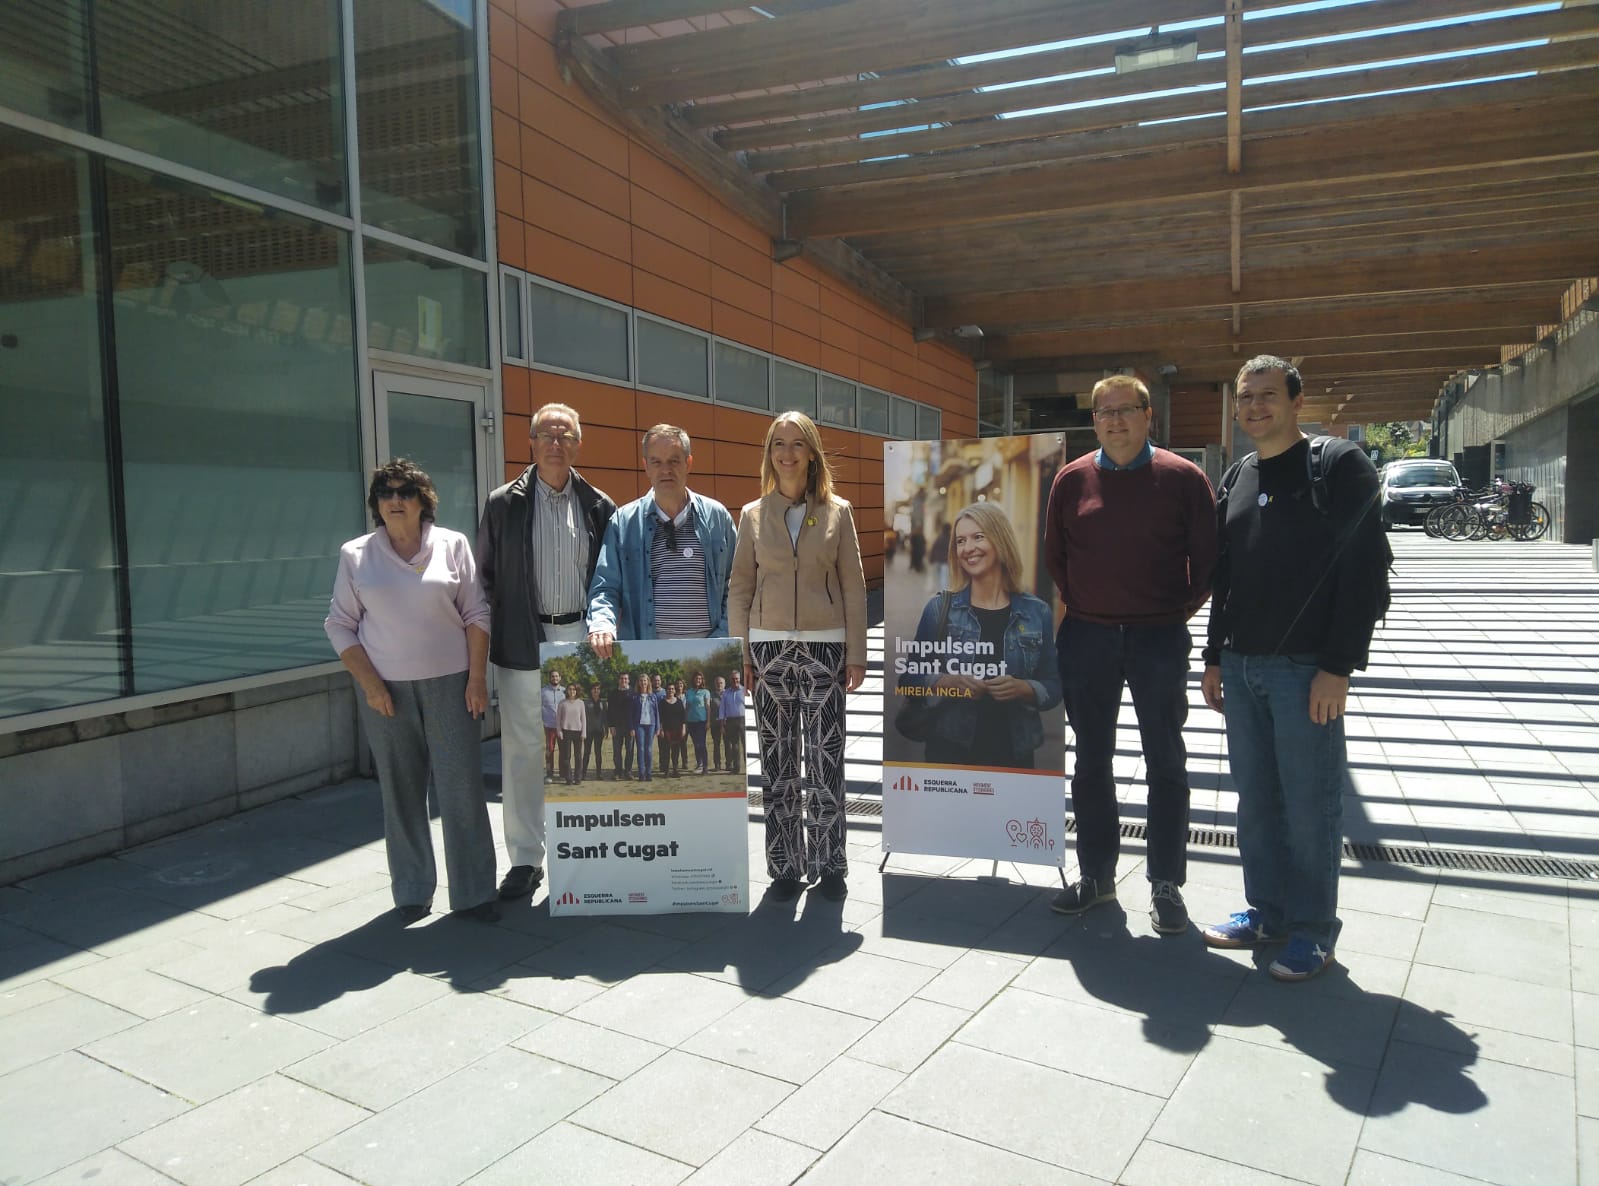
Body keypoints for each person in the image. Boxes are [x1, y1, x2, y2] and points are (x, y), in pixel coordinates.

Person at [1199, 355, 1388, 981]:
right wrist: (1214, 655)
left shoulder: (1337, 466)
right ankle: (1267, 911)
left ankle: (1311, 930)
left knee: (1310, 805)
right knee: (1255, 801)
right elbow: (1226, 578)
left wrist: (1338, 667)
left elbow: (1367, 575)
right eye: (1245, 396)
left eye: (1268, 395)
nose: (1255, 406)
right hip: (1245, 666)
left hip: (1306, 670)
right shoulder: (1239, 475)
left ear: (1296, 402)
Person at [1042, 374, 1218, 935]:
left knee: (1165, 759)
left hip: (1158, 640)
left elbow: (1207, 562)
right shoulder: (1071, 481)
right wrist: (1092, 605)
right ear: (1093, 421)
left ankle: (1166, 884)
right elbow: (1056, 559)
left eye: (1125, 410)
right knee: (1092, 762)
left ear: (1148, 416)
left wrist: (1168, 612)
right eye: (1104, 412)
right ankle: (1097, 876)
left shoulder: (1183, 478)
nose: (1114, 420)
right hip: (1088, 638)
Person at [325, 460, 498, 922]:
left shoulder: (452, 545)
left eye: (404, 492)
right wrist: (371, 685)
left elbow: (477, 614)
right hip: (387, 692)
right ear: (376, 504)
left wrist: (477, 679)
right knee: (401, 795)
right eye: (385, 493)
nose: (394, 500)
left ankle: (475, 893)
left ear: (424, 501)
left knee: (461, 789)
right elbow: (339, 625)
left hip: (452, 685)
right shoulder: (357, 555)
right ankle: (412, 890)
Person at [478, 403, 616, 903]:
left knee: (580, 748)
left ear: (579, 444)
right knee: (523, 753)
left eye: (566, 435)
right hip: (523, 639)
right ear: (531, 443)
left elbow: (609, 579)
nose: (556, 443)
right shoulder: (503, 504)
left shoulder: (599, 505)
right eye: (547, 435)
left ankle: (582, 851)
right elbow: (485, 578)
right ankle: (524, 859)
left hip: (581, 637)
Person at [728, 411, 867, 902]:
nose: (787, 454)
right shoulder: (751, 514)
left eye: (797, 445)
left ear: (812, 454)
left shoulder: (838, 512)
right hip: (768, 650)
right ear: (769, 454)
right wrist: (741, 652)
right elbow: (740, 586)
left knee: (825, 759)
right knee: (777, 761)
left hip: (825, 646)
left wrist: (857, 653)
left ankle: (831, 865)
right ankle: (785, 867)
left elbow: (853, 584)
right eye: (778, 444)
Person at [900, 502, 1062, 770]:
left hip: (1015, 755)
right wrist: (945, 682)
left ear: (1000, 540)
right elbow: (908, 679)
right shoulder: (939, 609)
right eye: (961, 541)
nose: (968, 548)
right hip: (949, 751)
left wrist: (1025, 689)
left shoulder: (1037, 612)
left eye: (978, 537)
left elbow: (1054, 686)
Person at [586, 424, 737, 655]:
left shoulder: (717, 517)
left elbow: (736, 584)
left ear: (688, 463)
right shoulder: (623, 523)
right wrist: (601, 624)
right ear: (646, 466)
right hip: (647, 656)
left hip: (710, 655)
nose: (666, 470)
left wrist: (721, 638)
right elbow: (606, 586)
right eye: (656, 461)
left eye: (674, 461)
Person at [607, 672, 635, 779]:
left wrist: (633, 727)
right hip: (617, 727)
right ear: (618, 680)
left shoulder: (633, 692)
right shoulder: (613, 693)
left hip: (630, 727)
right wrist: (611, 726)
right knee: (617, 750)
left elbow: (636, 711)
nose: (623, 680)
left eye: (626, 679)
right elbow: (609, 711)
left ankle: (628, 771)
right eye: (622, 678)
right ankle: (618, 771)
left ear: (628, 680)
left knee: (630, 750)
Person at [556, 682, 585, 785]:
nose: (572, 691)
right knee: (566, 756)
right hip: (565, 732)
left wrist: (583, 733)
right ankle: (569, 778)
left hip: (578, 732)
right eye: (570, 689)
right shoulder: (562, 703)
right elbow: (558, 719)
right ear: (567, 691)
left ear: (576, 691)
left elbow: (583, 719)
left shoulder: (581, 703)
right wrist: (559, 731)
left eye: (574, 689)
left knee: (578, 756)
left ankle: (578, 777)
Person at [633, 669, 658, 781]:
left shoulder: (653, 696)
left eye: (645, 681)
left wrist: (658, 726)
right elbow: (631, 714)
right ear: (638, 683)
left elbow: (657, 712)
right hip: (639, 725)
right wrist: (631, 727)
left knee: (648, 749)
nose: (643, 683)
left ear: (648, 682)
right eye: (641, 681)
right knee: (641, 749)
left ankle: (649, 773)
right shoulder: (634, 697)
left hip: (651, 725)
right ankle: (641, 773)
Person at [684, 671, 711, 774]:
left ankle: (705, 767)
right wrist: (685, 722)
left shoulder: (705, 692)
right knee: (696, 744)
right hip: (691, 722)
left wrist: (708, 721)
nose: (698, 680)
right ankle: (699, 764)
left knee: (702, 744)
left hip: (701, 721)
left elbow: (708, 708)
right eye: (696, 678)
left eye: (700, 679)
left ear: (702, 680)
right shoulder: (688, 692)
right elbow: (687, 708)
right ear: (693, 679)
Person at [719, 670, 746, 774]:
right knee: (734, 746)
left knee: (746, 745)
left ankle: (749, 768)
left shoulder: (745, 691)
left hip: (744, 720)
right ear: (730, 680)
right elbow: (722, 709)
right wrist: (722, 724)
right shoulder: (726, 693)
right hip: (730, 721)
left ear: (740, 679)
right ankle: (736, 767)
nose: (735, 680)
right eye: (733, 679)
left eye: (737, 678)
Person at [658, 682, 686, 777]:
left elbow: (683, 717)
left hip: (677, 729)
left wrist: (683, 729)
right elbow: (660, 718)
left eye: (672, 689)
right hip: (666, 730)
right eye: (669, 689)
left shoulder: (679, 702)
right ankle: (666, 771)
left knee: (676, 751)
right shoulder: (662, 702)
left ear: (675, 690)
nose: (670, 691)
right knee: (665, 751)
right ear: (666, 690)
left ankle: (675, 770)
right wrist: (660, 729)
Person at [540, 669, 564, 774]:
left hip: (563, 726)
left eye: (556, 676)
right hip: (549, 726)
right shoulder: (543, 692)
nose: (555, 678)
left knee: (563, 750)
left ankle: (563, 771)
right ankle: (550, 772)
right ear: (550, 678)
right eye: (553, 676)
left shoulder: (565, 691)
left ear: (560, 678)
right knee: (550, 749)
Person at [583, 684, 607, 781]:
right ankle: (583, 773)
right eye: (594, 689)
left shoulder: (603, 703)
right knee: (586, 753)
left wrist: (606, 729)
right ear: (591, 691)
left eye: (598, 689)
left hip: (599, 731)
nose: (596, 691)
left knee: (598, 753)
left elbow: (605, 717)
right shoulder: (586, 703)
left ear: (600, 691)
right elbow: (582, 717)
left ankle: (599, 773)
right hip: (588, 730)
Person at [709, 675, 726, 771]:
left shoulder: (728, 694)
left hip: (727, 723)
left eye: (721, 683)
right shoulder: (711, 695)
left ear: (724, 684)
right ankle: (717, 765)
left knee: (728, 744)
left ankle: (729, 764)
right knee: (716, 744)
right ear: (714, 684)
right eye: (717, 683)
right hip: (715, 723)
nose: (719, 685)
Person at [929, 519, 951, 590]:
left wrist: (931, 558)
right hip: (945, 561)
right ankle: (942, 591)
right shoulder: (950, 538)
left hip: (938, 559)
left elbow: (934, 548)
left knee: (938, 576)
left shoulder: (939, 537)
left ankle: (940, 591)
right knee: (944, 577)